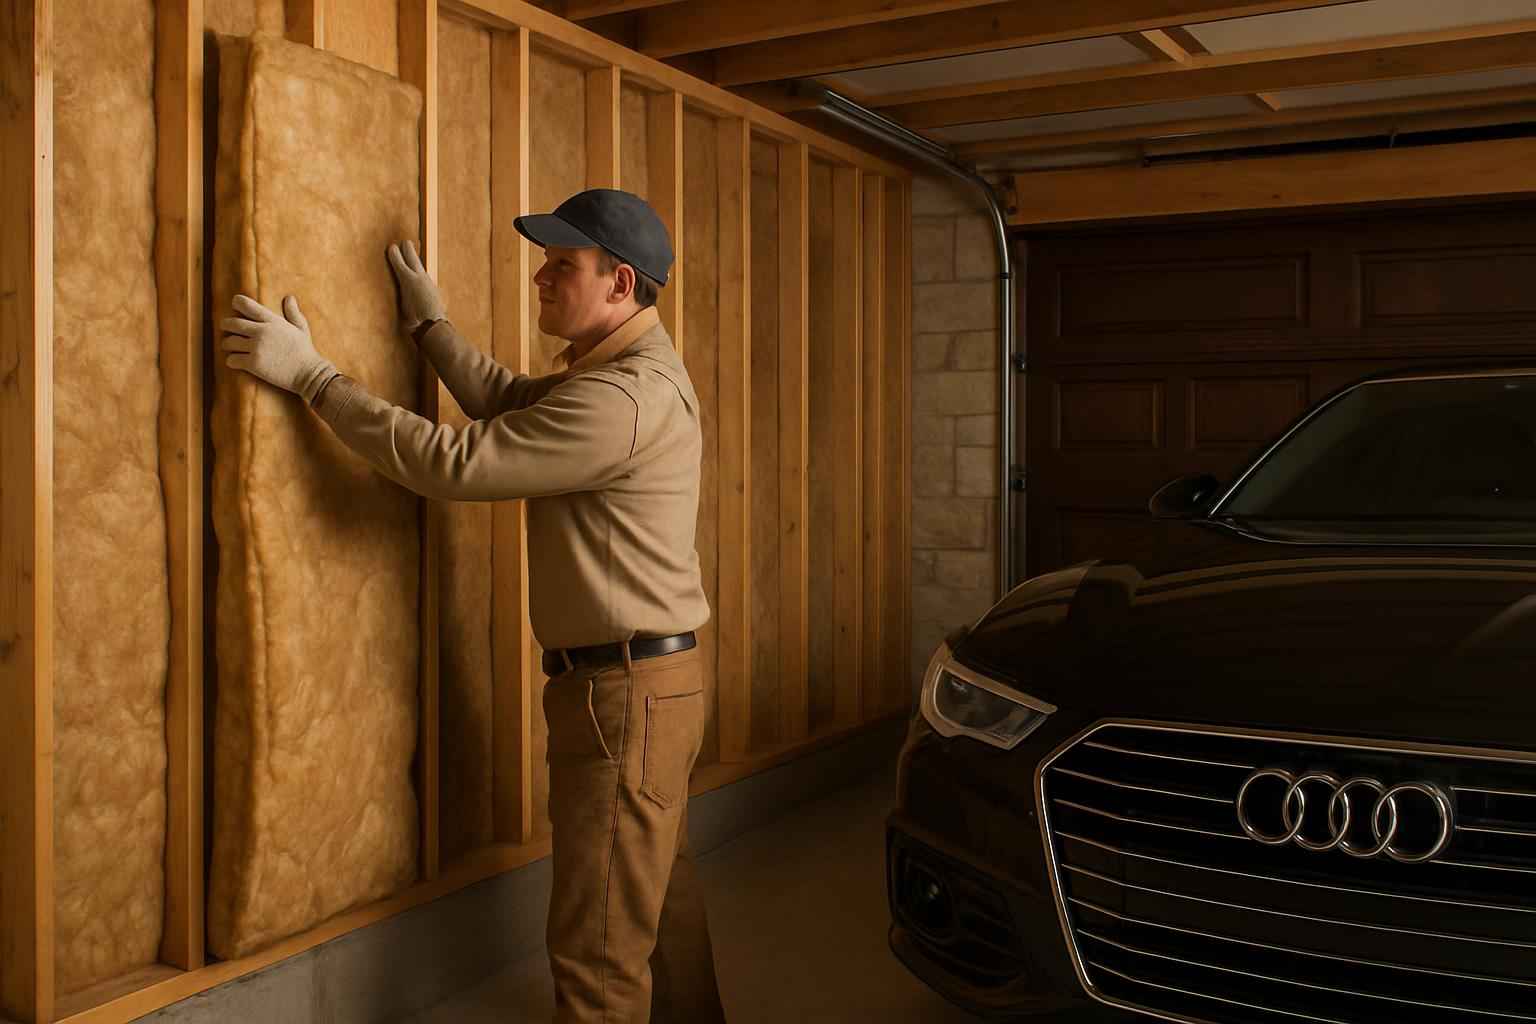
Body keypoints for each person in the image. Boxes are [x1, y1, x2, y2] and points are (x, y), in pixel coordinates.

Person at [220, 188, 728, 1024]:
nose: (540, 276)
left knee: (600, 956)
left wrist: (314, 378)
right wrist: (431, 331)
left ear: (620, 284)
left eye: (562, 265)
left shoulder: (620, 401)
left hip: (623, 698)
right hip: (641, 688)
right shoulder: (612, 376)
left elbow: (455, 461)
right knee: (653, 907)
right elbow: (510, 402)